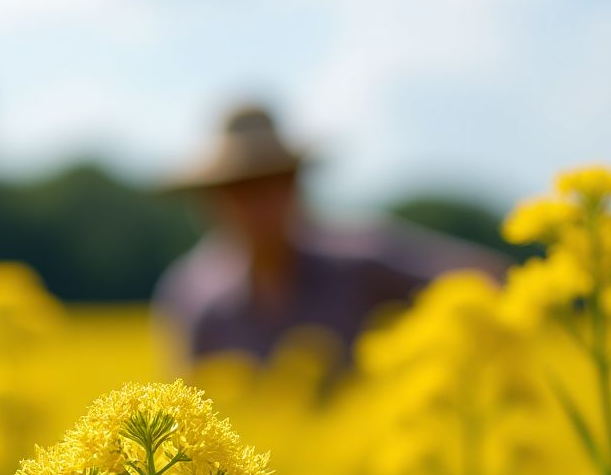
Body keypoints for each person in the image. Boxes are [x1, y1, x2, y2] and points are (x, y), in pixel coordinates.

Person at [153, 104, 510, 367]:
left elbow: (487, 280)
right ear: (211, 201)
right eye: (239, 190)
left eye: (270, 183)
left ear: (295, 184)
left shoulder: (362, 259)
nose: (256, 206)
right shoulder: (194, 297)